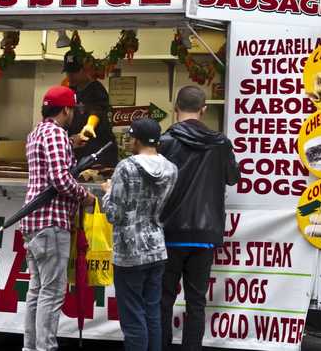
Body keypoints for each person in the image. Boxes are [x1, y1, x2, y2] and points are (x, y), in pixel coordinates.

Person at [159, 86, 240, 351]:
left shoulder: (165, 142)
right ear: (204, 109)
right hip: (205, 235)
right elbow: (232, 177)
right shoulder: (220, 143)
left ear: (175, 108)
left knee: (163, 299)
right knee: (196, 302)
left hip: (169, 233)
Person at [21, 85, 95, 351]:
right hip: (51, 223)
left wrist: (72, 142)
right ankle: (46, 348)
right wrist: (85, 196)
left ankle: (31, 347)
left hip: (32, 222)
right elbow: (61, 180)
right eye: (73, 110)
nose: (73, 114)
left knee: (37, 291)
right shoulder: (56, 134)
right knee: (51, 293)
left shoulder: (36, 133)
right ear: (66, 109)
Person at [101, 118, 177, 351]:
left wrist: (108, 192)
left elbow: (115, 215)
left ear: (136, 139)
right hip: (156, 247)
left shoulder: (126, 167)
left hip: (129, 252)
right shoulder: (170, 168)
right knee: (152, 313)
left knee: (133, 318)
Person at [63, 51, 119, 168]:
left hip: (99, 153)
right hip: (78, 152)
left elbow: (97, 111)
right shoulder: (70, 90)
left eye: (74, 72)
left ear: (85, 70)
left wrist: (90, 126)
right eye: (68, 72)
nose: (70, 76)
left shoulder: (97, 90)